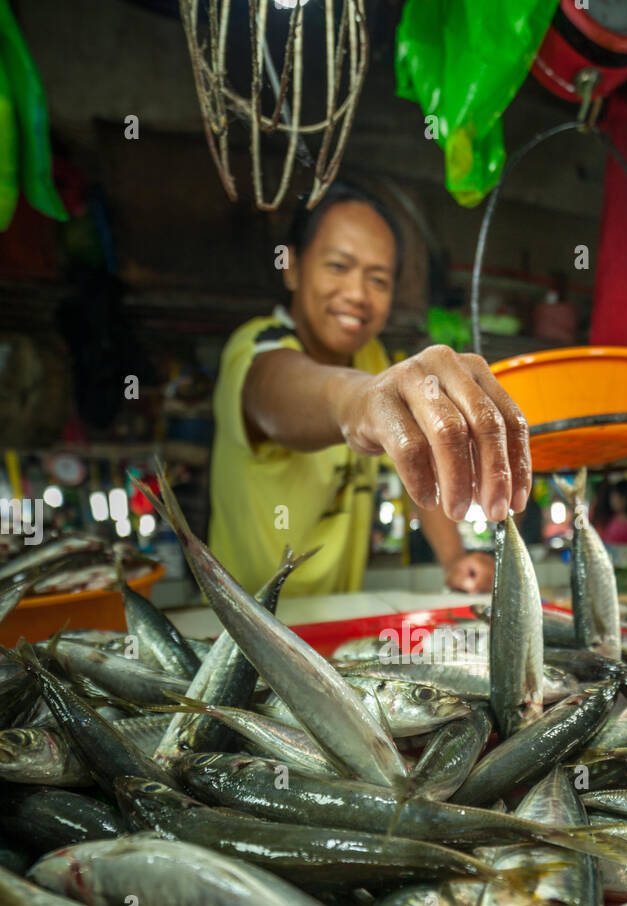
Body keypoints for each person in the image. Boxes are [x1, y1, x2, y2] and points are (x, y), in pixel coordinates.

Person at [208, 182, 530, 596]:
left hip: (335, 632)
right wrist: (363, 402)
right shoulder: (255, 350)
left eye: (378, 280)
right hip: (243, 633)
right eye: (338, 267)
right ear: (291, 266)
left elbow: (416, 461)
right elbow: (282, 392)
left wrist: (456, 560)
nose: (358, 295)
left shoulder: (372, 358)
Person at [591, 478, 627, 546]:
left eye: (616, 497)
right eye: (612, 497)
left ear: (624, 498)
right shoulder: (612, 518)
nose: (613, 501)